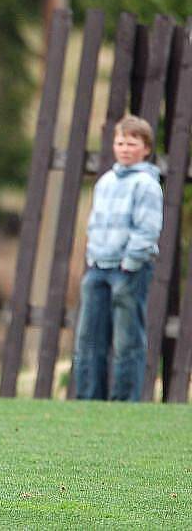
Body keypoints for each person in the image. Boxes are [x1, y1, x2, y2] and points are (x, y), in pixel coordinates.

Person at [73, 115, 162, 402]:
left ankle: (124, 401)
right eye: (120, 142)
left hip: (128, 270)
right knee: (88, 338)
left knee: (126, 340)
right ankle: (89, 398)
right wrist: (92, 256)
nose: (124, 148)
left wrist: (130, 263)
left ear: (146, 148)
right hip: (98, 267)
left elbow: (147, 229)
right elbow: (93, 224)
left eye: (132, 143)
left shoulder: (146, 184)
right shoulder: (106, 181)